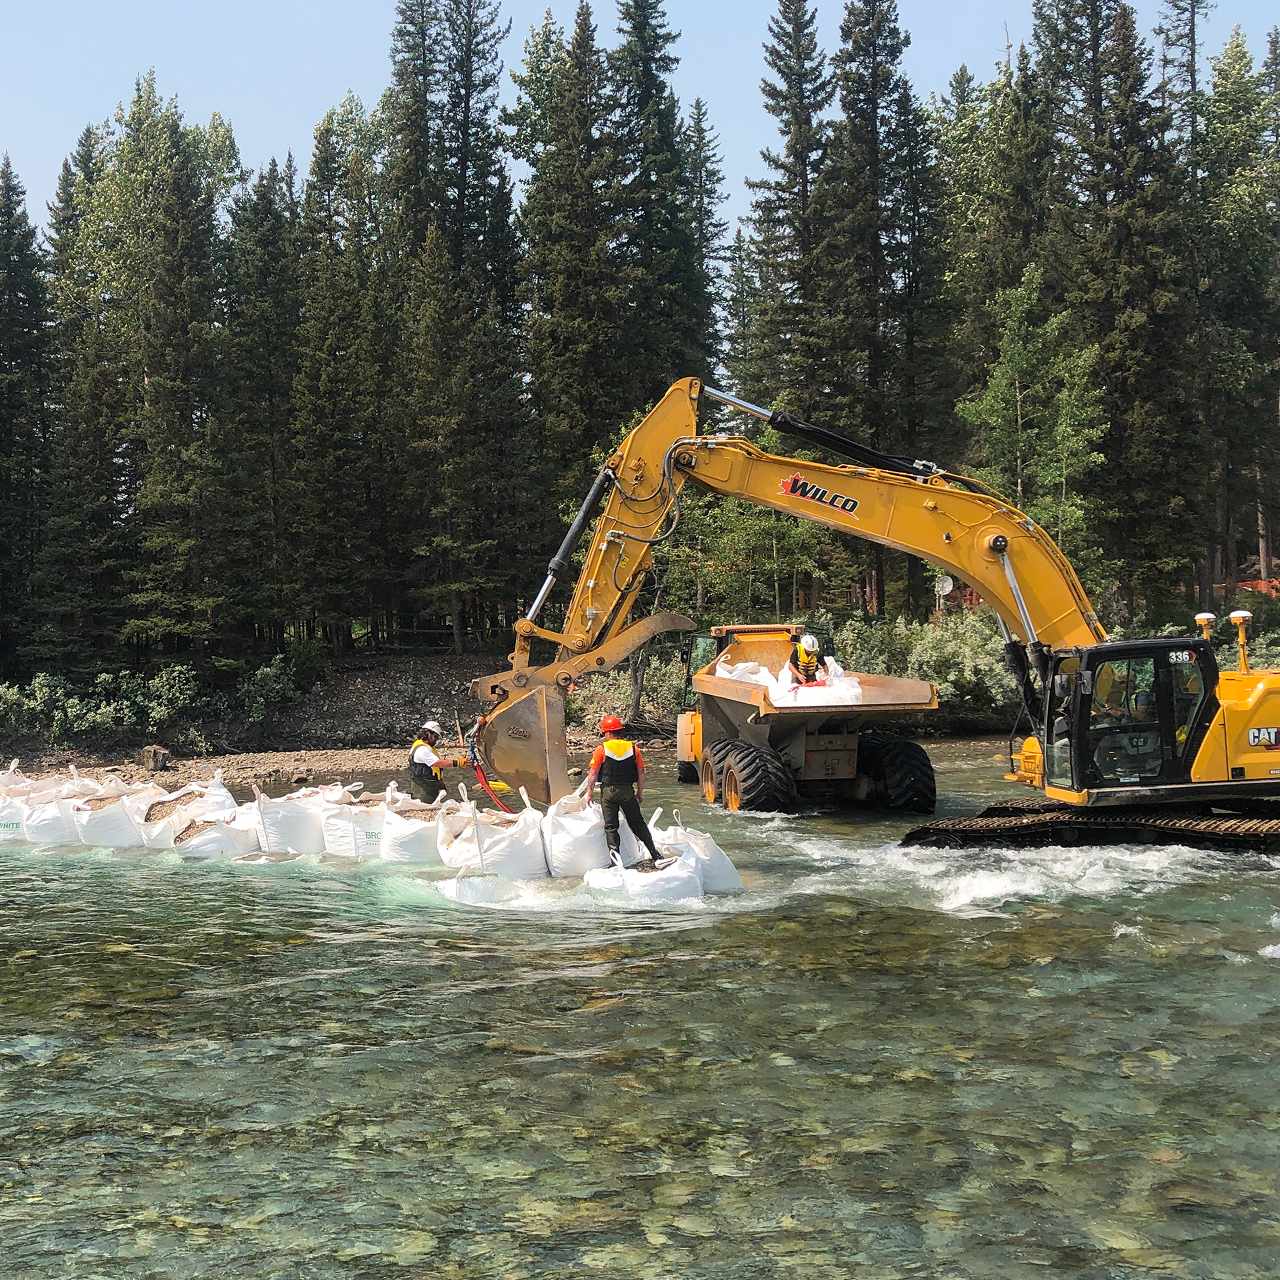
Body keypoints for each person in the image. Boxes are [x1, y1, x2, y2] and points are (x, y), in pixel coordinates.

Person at [584, 715, 665, 871]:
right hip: (627, 791)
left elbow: (593, 774)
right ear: (620, 732)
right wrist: (640, 792)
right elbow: (641, 773)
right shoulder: (634, 749)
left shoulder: (601, 749)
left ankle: (616, 863)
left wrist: (588, 793)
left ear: (607, 733)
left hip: (609, 792)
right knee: (638, 823)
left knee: (611, 827)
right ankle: (655, 854)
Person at [408, 720, 464, 804]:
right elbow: (437, 763)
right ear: (428, 734)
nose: (436, 740)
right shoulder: (422, 749)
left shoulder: (424, 746)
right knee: (426, 809)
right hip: (423, 790)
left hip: (429, 787)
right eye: (435, 737)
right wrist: (458, 763)